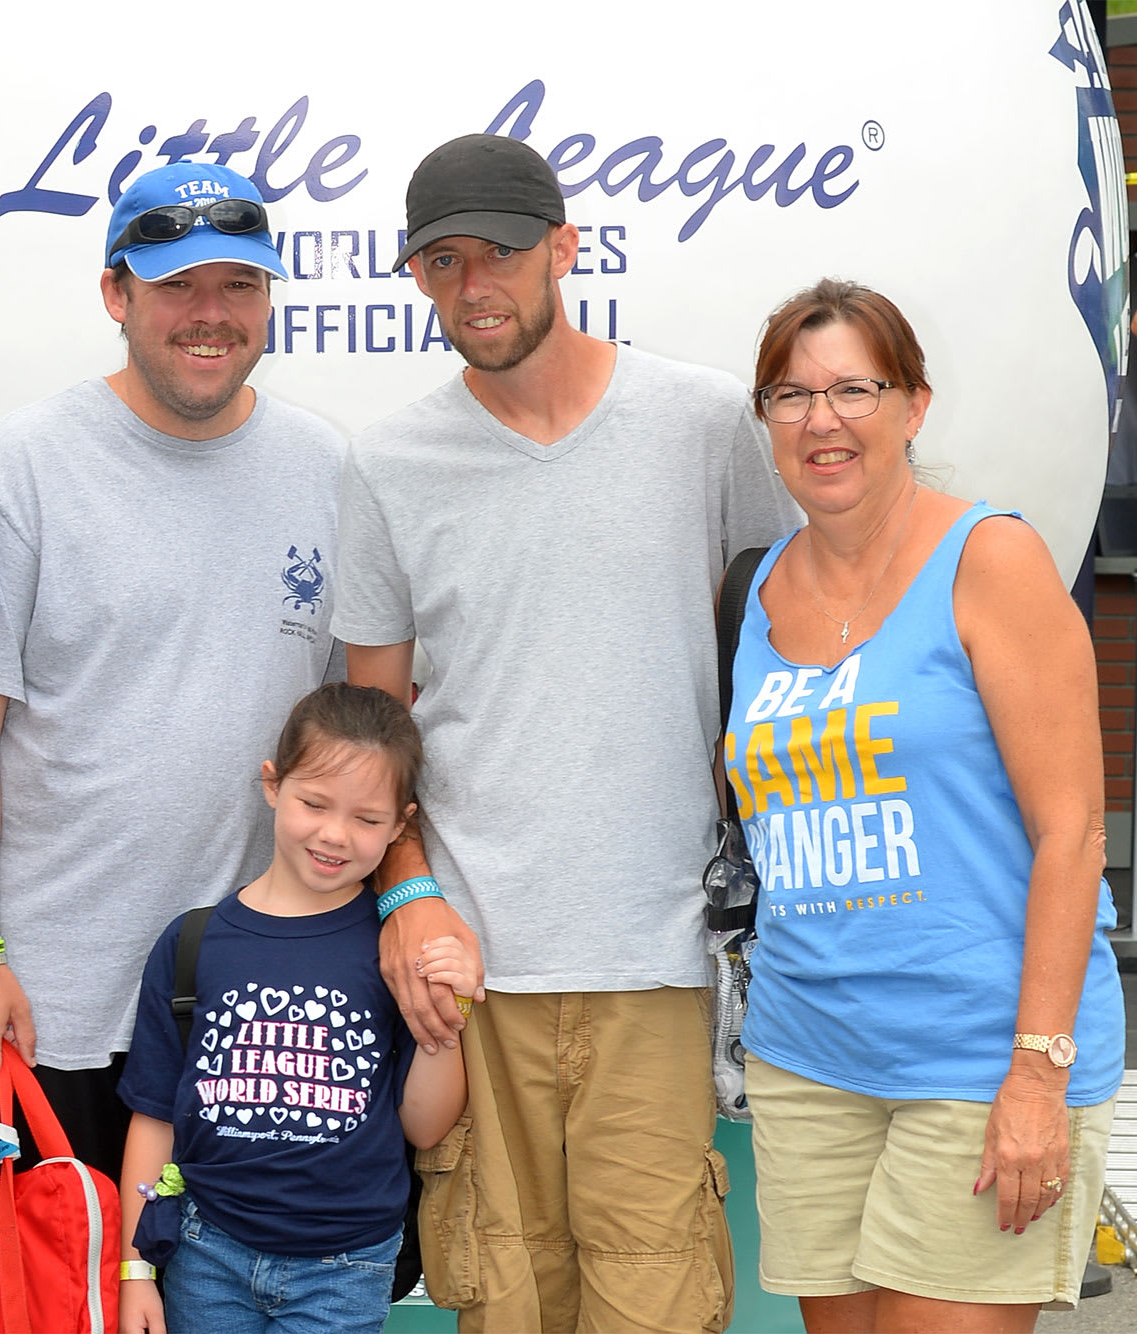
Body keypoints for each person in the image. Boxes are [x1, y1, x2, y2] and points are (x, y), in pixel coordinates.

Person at [333, 133, 796, 1332]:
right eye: (440, 261)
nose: (471, 284)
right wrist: (405, 894)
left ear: (563, 246)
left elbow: (779, 648)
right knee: (499, 1300)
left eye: (497, 252)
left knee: (654, 1302)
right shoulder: (386, 462)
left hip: (657, 952)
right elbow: (369, 727)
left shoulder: (700, 424)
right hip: (469, 968)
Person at [0, 161, 345, 1179]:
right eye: (176, 286)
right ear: (115, 294)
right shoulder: (22, 463)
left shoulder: (325, 467)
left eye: (238, 286)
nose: (210, 315)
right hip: (47, 1004)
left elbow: (352, 735)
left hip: (249, 1006)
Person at [726, 278, 1125, 1331]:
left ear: (913, 404)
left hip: (976, 1057)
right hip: (808, 1055)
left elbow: (1070, 833)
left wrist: (1037, 1075)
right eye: (787, 394)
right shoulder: (758, 586)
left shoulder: (988, 559)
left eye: (852, 388)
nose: (820, 420)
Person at [116, 682, 470, 1334]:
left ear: (400, 824)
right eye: (314, 803)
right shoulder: (193, 942)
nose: (335, 834)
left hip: (346, 1265)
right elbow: (155, 1118)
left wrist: (449, 1015)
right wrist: (135, 1270)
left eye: (367, 819)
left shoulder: (392, 952)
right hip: (205, 1249)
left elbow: (423, 1127)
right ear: (273, 785)